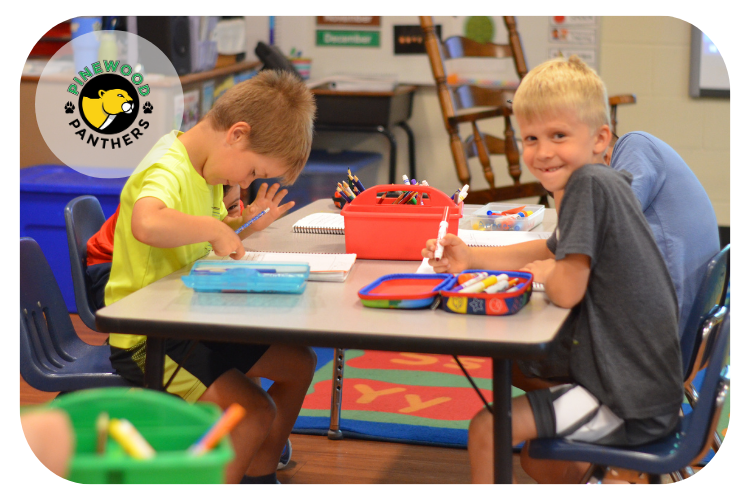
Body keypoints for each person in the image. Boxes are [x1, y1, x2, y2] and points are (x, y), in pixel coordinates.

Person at [421, 56, 684, 483]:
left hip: (626, 401)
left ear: (600, 138)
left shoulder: (587, 186)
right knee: (536, 455)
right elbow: (546, 248)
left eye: (558, 135)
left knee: (487, 428)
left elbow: (566, 290)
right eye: (530, 138)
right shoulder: (604, 181)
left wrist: (546, 272)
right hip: (644, 390)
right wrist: (470, 256)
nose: (542, 152)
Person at [104, 70, 317, 484]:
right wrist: (217, 229)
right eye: (253, 171)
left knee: (299, 362)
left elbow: (208, 240)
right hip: (150, 337)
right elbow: (147, 224)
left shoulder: (206, 171)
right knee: (253, 411)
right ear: (237, 134)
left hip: (193, 318)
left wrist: (238, 228)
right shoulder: (167, 166)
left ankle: (259, 475)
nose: (245, 182)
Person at [603, 131, 721, 335]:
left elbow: (604, 229)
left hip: (665, 336)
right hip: (682, 322)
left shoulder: (634, 145)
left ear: (600, 145)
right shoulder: (647, 149)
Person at [86, 184, 245, 311]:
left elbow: (225, 229)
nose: (247, 182)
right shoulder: (164, 190)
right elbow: (147, 226)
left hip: (151, 265)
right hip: (112, 266)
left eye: (232, 207)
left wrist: (248, 222)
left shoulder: (217, 194)